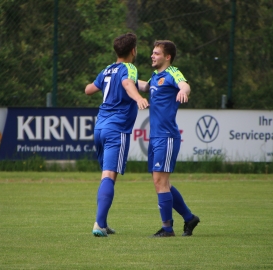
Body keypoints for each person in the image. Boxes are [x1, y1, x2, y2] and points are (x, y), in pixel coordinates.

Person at [85, 33, 149, 237]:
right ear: (133, 51)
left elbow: (89, 90)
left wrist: (151, 85)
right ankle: (99, 224)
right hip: (116, 129)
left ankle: (102, 223)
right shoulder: (129, 68)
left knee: (106, 175)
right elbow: (128, 84)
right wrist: (138, 97)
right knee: (108, 176)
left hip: (99, 128)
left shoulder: (107, 70)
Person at [139, 40, 200, 237]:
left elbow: (185, 85)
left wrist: (183, 91)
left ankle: (167, 229)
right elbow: (146, 87)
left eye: (156, 53)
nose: (152, 56)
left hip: (166, 136)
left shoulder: (173, 72)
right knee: (162, 183)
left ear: (167, 57)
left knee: (160, 182)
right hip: (155, 137)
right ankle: (189, 218)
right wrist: (125, 78)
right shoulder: (156, 76)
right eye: (152, 53)